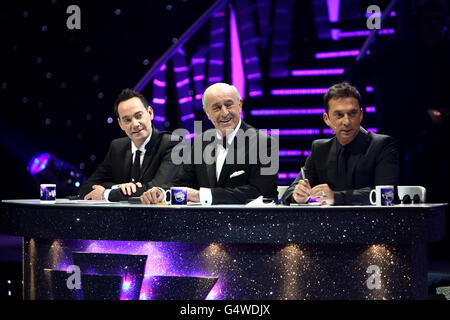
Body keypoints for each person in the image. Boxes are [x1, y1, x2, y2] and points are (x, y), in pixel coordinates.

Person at [140, 82, 278, 205]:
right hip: (203, 227)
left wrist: (202, 196)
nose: (224, 113)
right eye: (216, 108)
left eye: (229, 105)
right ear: (207, 112)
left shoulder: (264, 143)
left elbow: (260, 192)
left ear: (240, 104)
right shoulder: (201, 142)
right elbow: (182, 183)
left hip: (249, 226)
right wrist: (162, 193)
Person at [281, 82, 400, 205]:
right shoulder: (320, 149)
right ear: (326, 119)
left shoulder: (382, 146)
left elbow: (387, 195)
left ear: (361, 115)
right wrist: (298, 195)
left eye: (352, 113)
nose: (346, 121)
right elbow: (288, 194)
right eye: (339, 115)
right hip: (326, 222)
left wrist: (336, 197)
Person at [78, 88, 181, 201]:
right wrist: (118, 187)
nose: (135, 124)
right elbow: (87, 187)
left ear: (150, 113)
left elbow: (155, 191)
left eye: (138, 116)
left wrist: (107, 194)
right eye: (127, 120)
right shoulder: (117, 147)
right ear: (120, 124)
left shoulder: (173, 143)